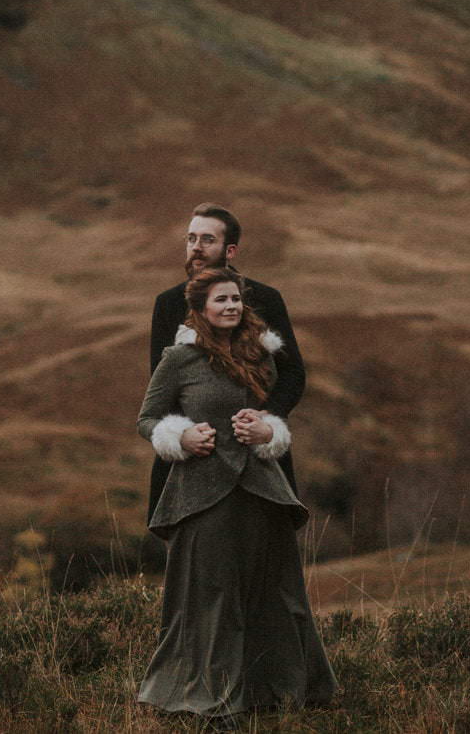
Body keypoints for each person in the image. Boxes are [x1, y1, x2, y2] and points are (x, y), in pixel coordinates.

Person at [137, 266, 336, 717]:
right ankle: (212, 700)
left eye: (235, 299)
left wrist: (269, 430)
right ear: (200, 308)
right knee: (213, 596)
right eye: (221, 300)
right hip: (201, 493)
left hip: (261, 490)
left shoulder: (259, 354)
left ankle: (282, 692)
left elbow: (273, 411)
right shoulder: (178, 359)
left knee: (276, 592)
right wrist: (181, 436)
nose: (231, 307)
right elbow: (147, 419)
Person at [148, 203, 305, 522]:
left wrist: (266, 421)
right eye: (191, 239)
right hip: (196, 455)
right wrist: (184, 436)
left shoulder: (265, 299)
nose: (196, 247)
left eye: (207, 240)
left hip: (255, 449)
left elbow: (292, 373)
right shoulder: (168, 304)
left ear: (230, 250)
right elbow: (160, 385)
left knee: (264, 545)